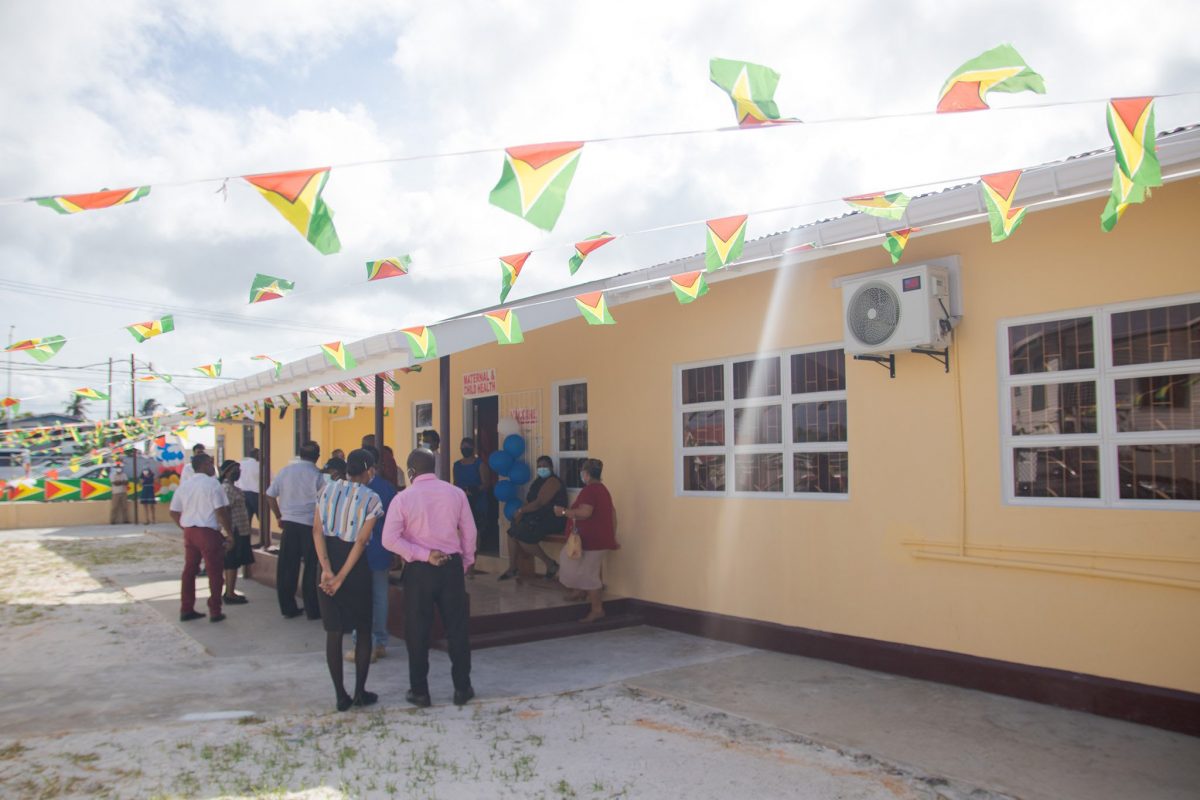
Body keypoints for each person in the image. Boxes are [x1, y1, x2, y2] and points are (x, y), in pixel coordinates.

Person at [382, 449, 477, 707]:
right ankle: (462, 688)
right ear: (433, 467)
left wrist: (422, 554)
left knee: (417, 631)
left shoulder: (403, 498)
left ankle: (420, 691)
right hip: (450, 565)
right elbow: (469, 531)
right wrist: (465, 562)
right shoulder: (455, 493)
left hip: (419, 571)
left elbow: (389, 539)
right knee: (457, 629)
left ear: (411, 471)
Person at [313, 449, 385, 711]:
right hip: (354, 568)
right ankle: (359, 692)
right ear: (368, 470)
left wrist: (326, 569)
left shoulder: (326, 490)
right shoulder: (372, 499)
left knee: (333, 631)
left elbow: (317, 532)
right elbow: (363, 540)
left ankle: (340, 695)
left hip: (327, 563)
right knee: (363, 630)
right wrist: (342, 575)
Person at [169, 453, 235, 622]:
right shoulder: (213, 484)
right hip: (208, 531)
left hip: (190, 531)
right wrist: (229, 534)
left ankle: (186, 607)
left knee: (190, 571)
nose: (214, 467)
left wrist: (184, 526)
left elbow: (173, 511)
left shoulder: (185, 485)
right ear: (204, 465)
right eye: (211, 463)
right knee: (214, 571)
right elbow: (221, 511)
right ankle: (215, 610)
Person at [348, 448, 398, 664]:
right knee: (379, 598)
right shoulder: (387, 489)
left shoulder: (351, 491)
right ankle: (379, 643)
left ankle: (363, 645)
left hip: (358, 553)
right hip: (381, 550)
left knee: (360, 600)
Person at [267, 441, 325, 620]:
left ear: (300, 455)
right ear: (317, 456)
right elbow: (324, 501)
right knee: (311, 567)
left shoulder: (285, 471)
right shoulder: (317, 475)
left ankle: (288, 607)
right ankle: (312, 609)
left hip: (289, 523)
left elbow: (270, 495)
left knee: (287, 567)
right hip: (309, 525)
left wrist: (278, 516)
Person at [554, 458, 617, 624]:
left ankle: (597, 610)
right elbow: (612, 513)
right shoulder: (602, 489)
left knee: (589, 575)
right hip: (595, 539)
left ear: (586, 474)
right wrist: (611, 535)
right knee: (572, 563)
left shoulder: (590, 491)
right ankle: (579, 591)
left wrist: (563, 512)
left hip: (592, 541)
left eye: (583, 471)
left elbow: (585, 512)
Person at [498, 456, 566, 580]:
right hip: (536, 518)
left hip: (552, 518)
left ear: (551, 467)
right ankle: (513, 567)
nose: (542, 468)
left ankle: (550, 563)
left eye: (544, 466)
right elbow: (529, 501)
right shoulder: (537, 482)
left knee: (522, 535)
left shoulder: (553, 481)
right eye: (539, 466)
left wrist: (521, 511)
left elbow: (539, 502)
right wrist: (520, 513)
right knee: (512, 532)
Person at [219, 460, 255, 605]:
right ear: (227, 472)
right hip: (235, 530)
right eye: (234, 469)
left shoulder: (234, 488)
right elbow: (225, 512)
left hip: (241, 529)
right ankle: (230, 593)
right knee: (231, 562)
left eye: (239, 469)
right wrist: (229, 533)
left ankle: (230, 591)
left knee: (233, 562)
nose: (238, 472)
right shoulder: (227, 489)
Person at [453, 437, 488, 548]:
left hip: (477, 502)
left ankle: (474, 555)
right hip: (461, 502)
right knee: (461, 530)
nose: (464, 449)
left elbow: (486, 483)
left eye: (467, 446)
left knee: (476, 530)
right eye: (462, 446)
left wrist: (474, 489)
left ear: (473, 448)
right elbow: (455, 482)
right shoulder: (457, 465)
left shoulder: (480, 464)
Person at [237, 448, 262, 527]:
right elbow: (270, 478)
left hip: (242, 494)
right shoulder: (260, 465)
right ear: (257, 455)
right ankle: (264, 538)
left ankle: (246, 538)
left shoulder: (241, 464)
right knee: (263, 519)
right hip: (256, 495)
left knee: (246, 520)